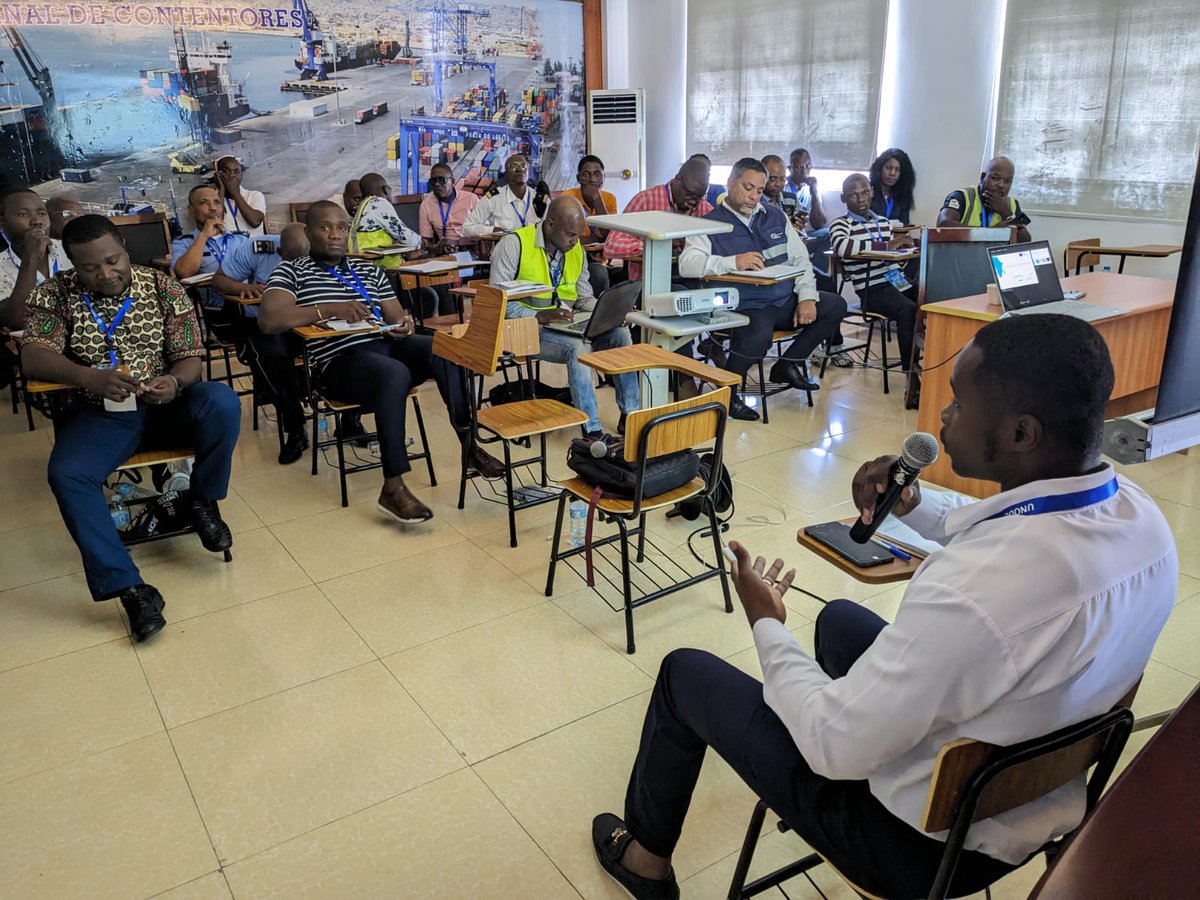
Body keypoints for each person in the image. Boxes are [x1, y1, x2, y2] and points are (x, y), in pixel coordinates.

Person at [589, 313, 1176, 900]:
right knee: (840, 620)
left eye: (959, 405)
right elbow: (1011, 534)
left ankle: (645, 861)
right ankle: (857, 728)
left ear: (1022, 434)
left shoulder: (970, 596)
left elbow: (832, 743)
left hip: (915, 847)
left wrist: (766, 622)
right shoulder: (1144, 524)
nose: (942, 417)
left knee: (683, 673)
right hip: (1037, 790)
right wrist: (913, 507)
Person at [21, 215, 242, 643]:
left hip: (166, 404)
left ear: (124, 247)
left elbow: (191, 355)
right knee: (67, 474)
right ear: (72, 264)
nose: (105, 274)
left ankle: (202, 501)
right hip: (101, 412)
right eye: (89, 268)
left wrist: (175, 381)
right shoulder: (54, 294)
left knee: (221, 402)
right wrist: (87, 377)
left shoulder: (161, 286)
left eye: (112, 260)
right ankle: (130, 589)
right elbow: (32, 356)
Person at [259, 201, 504, 524]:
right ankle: (392, 486)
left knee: (442, 348)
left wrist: (405, 324)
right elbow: (269, 319)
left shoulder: (368, 270)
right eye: (325, 227)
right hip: (338, 361)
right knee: (393, 373)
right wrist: (330, 309)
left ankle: (469, 444)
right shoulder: (292, 271)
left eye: (342, 227)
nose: (335, 234)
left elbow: (395, 316)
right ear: (308, 232)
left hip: (382, 345)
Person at [678, 158, 847, 421]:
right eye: (747, 188)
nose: (754, 196)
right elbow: (688, 265)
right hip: (746, 303)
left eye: (759, 190)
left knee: (834, 305)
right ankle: (729, 395)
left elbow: (800, 260)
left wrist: (806, 297)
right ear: (730, 183)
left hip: (783, 298)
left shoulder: (775, 216)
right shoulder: (709, 223)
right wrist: (732, 262)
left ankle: (787, 365)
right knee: (758, 335)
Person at [489, 197, 638, 437]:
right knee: (577, 348)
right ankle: (592, 430)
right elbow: (497, 304)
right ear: (549, 225)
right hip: (523, 330)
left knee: (620, 334)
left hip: (565, 324)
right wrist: (539, 316)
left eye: (578, 235)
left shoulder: (575, 249)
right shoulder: (513, 245)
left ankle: (630, 414)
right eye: (570, 235)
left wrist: (606, 312)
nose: (575, 242)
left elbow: (583, 298)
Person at [213, 223, 311, 464]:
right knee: (269, 356)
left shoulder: (327, 250)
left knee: (354, 347)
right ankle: (295, 426)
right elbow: (220, 280)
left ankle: (350, 421)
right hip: (268, 325)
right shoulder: (259, 248)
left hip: (311, 322)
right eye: (292, 261)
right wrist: (243, 287)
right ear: (280, 252)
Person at [830, 173, 918, 370]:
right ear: (843, 198)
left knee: (930, 299)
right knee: (907, 309)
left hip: (896, 281)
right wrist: (886, 246)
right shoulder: (841, 224)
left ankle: (929, 360)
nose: (861, 199)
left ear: (872, 192)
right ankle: (910, 370)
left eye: (865, 192)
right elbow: (843, 247)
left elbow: (892, 258)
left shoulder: (884, 223)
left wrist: (908, 250)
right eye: (853, 195)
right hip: (872, 289)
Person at [603, 157, 714, 281]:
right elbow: (611, 246)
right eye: (689, 193)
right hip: (648, 283)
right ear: (677, 179)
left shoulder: (703, 208)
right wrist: (661, 244)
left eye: (699, 196)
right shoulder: (646, 200)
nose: (693, 201)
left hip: (690, 281)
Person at [0, 187, 73, 329]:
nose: (36, 221)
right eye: (22, 214)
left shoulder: (70, 248)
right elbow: (18, 320)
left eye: (41, 213)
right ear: (2, 222)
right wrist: (30, 258)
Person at [938, 156, 1032, 242]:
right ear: (983, 177)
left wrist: (1007, 214)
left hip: (994, 259)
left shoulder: (1012, 204)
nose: (1001, 185)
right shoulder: (962, 196)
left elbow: (1025, 241)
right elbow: (943, 225)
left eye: (1007, 181)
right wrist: (993, 232)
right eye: (995, 178)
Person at [561, 154, 618, 296]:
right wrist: (597, 239)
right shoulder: (568, 198)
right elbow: (568, 239)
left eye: (597, 174)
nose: (592, 179)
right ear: (578, 178)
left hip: (601, 259)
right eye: (586, 175)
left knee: (625, 276)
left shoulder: (609, 198)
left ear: (603, 178)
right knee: (598, 274)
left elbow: (610, 236)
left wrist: (597, 199)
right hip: (574, 257)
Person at [350, 172, 422, 271]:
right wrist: (424, 242)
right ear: (386, 189)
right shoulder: (378, 203)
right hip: (383, 269)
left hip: (362, 267)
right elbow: (405, 236)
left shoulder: (363, 206)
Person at [461, 154, 544, 237]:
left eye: (523, 166)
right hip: (504, 247)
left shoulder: (540, 199)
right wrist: (492, 230)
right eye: (513, 166)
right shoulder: (493, 198)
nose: (519, 169)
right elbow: (467, 228)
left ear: (528, 172)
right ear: (506, 173)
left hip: (533, 247)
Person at [418, 162, 479, 254]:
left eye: (442, 180)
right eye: (433, 181)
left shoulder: (471, 199)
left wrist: (457, 242)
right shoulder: (426, 205)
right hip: (444, 253)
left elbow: (484, 233)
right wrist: (436, 248)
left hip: (470, 250)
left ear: (452, 181)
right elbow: (426, 241)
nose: (437, 184)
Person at [213, 155, 267, 238]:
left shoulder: (255, 195)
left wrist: (235, 193)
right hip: (227, 249)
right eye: (226, 171)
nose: (232, 175)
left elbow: (255, 222)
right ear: (218, 176)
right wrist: (221, 191)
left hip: (252, 247)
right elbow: (215, 227)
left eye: (236, 171)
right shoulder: (212, 199)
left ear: (241, 175)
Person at [868, 148, 917, 225]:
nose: (892, 173)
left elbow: (904, 224)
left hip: (896, 236)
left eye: (898, 170)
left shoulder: (903, 195)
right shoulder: (868, 192)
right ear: (879, 168)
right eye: (888, 168)